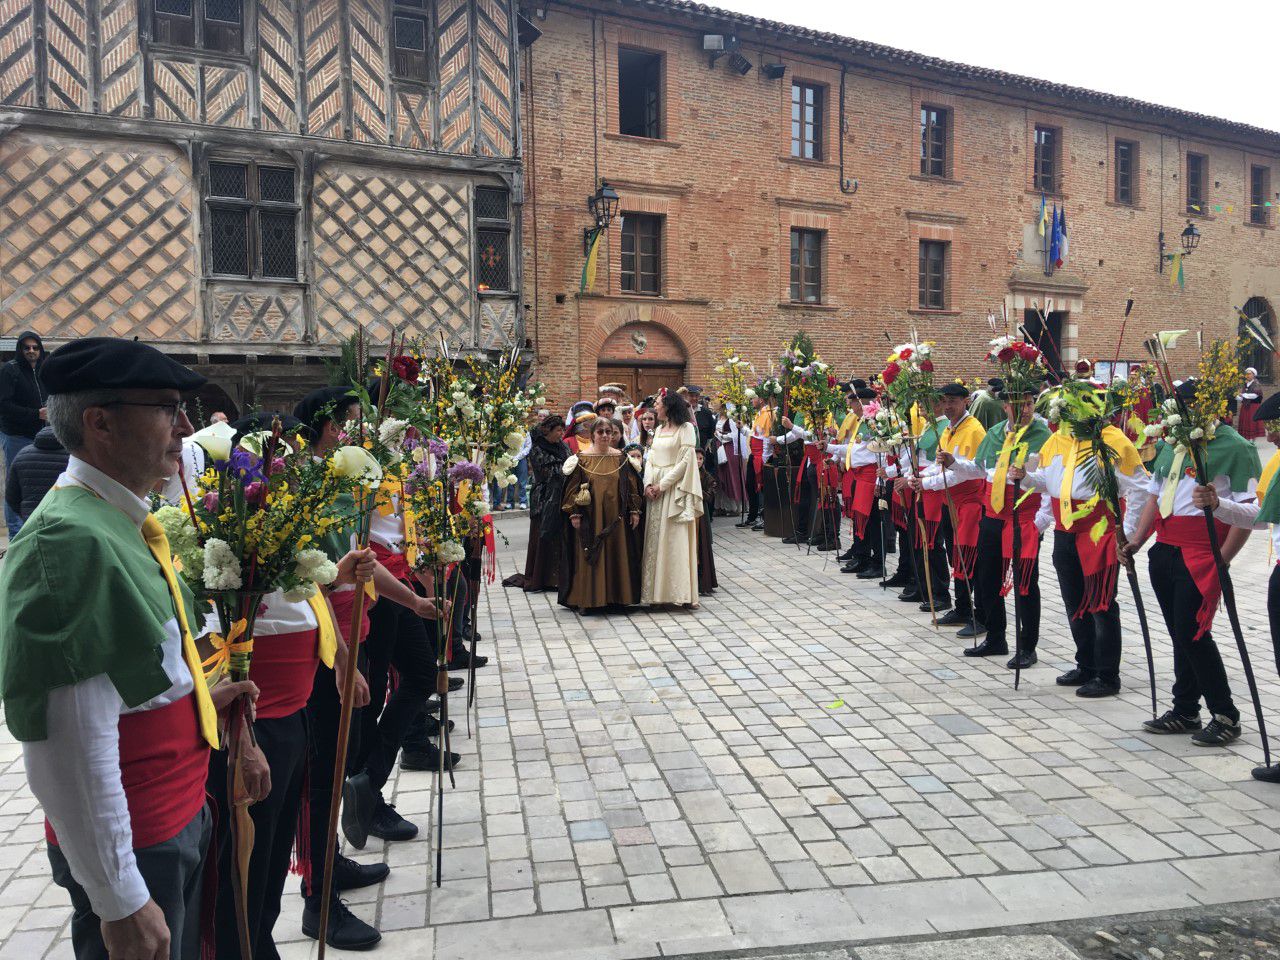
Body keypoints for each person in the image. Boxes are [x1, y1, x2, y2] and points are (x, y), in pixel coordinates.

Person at [0, 337, 260, 960]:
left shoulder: (115, 517)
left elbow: (135, 675)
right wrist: (119, 898)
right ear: (100, 422)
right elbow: (63, 743)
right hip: (138, 835)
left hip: (172, 811)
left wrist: (201, 696)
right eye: (168, 408)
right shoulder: (70, 541)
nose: (186, 428)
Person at [1123, 382, 1260, 746]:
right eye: (1177, 406)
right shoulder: (1174, 443)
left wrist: (1223, 559)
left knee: (1194, 632)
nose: (1179, 413)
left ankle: (1225, 714)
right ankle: (1185, 708)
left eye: (1187, 407)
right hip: (1166, 548)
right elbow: (1154, 495)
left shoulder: (1235, 446)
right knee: (1180, 633)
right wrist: (1137, 539)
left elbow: (1249, 512)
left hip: (1203, 551)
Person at [1014, 383, 1148, 698]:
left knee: (1101, 604)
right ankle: (1085, 663)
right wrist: (1026, 479)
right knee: (1074, 601)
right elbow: (1048, 482)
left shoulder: (1113, 441)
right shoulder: (1058, 440)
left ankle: (1107, 674)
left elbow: (1140, 488)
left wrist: (1126, 531)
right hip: (1064, 528)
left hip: (1098, 528)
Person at [948, 390, 1052, 666]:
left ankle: (1027, 646)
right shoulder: (994, 433)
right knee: (987, 578)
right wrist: (955, 464)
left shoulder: (1044, 436)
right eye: (1018, 406)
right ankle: (996, 637)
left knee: (1025, 583)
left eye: (1029, 404)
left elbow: (1052, 483)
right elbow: (980, 469)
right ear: (1005, 406)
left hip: (1023, 516)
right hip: (993, 513)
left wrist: (1041, 521)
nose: (1025, 411)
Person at [911, 383, 986, 628]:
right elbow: (939, 463)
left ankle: (972, 609)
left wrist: (928, 483)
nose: (948, 406)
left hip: (968, 501)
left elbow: (966, 472)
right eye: (945, 401)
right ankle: (962, 606)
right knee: (956, 556)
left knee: (967, 557)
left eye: (953, 401)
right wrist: (922, 477)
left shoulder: (973, 430)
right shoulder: (950, 430)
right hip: (949, 500)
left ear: (966, 401)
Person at [558, 417, 643, 611]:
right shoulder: (581, 459)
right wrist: (574, 514)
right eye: (600, 432)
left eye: (609, 432)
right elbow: (572, 489)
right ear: (593, 435)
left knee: (616, 553)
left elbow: (631, 487)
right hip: (591, 517)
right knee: (591, 553)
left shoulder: (621, 458)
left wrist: (635, 510)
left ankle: (617, 598)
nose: (605, 435)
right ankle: (591, 600)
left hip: (617, 518)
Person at [640, 392, 704, 607]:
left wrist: (662, 485)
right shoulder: (657, 430)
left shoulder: (686, 429)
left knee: (674, 541)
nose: (654, 408)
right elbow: (650, 458)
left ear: (668, 406)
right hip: (655, 490)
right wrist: (648, 483)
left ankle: (679, 594)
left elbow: (685, 462)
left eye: (657, 404)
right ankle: (656, 594)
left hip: (674, 489)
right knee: (656, 541)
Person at [1248, 392, 1280, 783]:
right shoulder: (1276, 464)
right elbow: (1260, 518)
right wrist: (1217, 506)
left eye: (1274, 428)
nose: (1269, 438)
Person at [505, 415, 569, 592]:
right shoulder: (537, 448)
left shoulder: (562, 446)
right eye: (558, 430)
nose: (561, 434)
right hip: (544, 497)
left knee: (558, 536)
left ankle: (557, 578)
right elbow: (549, 471)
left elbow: (571, 462)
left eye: (563, 430)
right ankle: (542, 577)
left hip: (561, 496)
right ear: (548, 431)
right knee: (543, 534)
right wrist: (565, 468)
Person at [0, 331, 48, 537]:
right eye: (26, 347)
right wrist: (35, 414)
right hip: (16, 435)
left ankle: (35, 530)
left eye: (35, 347)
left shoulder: (44, 370)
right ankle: (16, 534)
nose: (31, 351)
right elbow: (4, 405)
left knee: (39, 483)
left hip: (41, 436)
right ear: (20, 349)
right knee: (15, 485)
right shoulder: (10, 371)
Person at [4, 424, 68, 522]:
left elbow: (11, 496)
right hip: (65, 520)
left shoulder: (22, 455)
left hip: (32, 521)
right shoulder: (74, 457)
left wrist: (25, 515)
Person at [714, 403, 748, 516]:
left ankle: (735, 507)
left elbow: (736, 434)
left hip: (729, 449)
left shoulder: (732, 419)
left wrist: (722, 436)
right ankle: (721, 506)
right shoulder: (716, 418)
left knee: (731, 477)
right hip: (719, 448)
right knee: (720, 477)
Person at [696, 448, 719, 594]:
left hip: (701, 514)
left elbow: (712, 491)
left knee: (702, 544)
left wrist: (699, 493)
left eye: (700, 459)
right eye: (695, 458)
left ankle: (704, 581)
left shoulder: (706, 476)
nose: (698, 461)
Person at [1237, 367, 1264, 441]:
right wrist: (1237, 396)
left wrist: (1242, 395)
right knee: (1245, 424)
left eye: (1249, 374)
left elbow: (1255, 395)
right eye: (1247, 374)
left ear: (1253, 375)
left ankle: (1253, 440)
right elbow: (1243, 397)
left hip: (1253, 407)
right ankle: (1247, 440)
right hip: (1246, 406)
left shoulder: (1256, 383)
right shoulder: (1246, 384)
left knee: (1252, 423)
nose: (1248, 375)